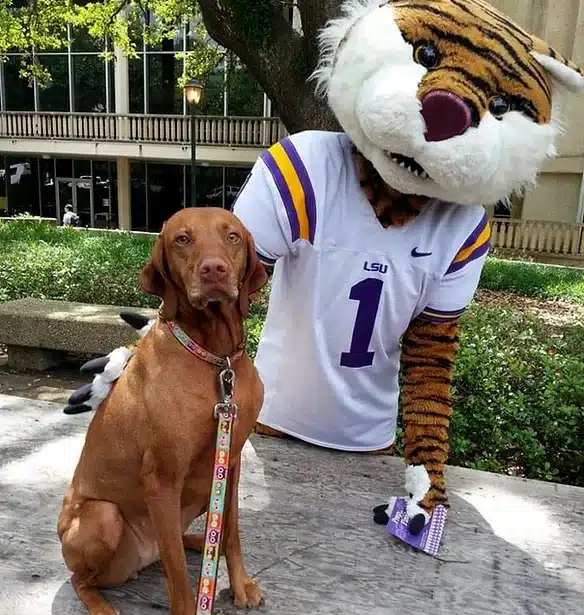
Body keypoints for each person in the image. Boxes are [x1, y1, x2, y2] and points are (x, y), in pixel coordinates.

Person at [63, 0, 584, 537]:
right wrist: (141, 362)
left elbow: (431, 360)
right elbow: (218, 293)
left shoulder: (465, 227)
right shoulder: (305, 168)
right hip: (267, 424)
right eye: (425, 57)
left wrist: (427, 475)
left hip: (369, 442)